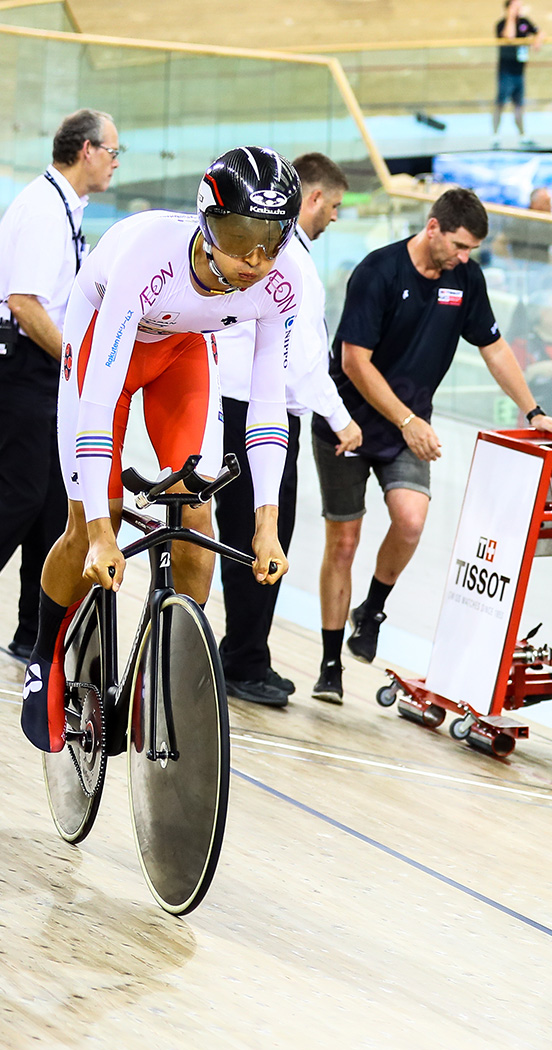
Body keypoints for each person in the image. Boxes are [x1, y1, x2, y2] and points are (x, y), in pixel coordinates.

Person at [19, 146, 299, 752]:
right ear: (207, 221)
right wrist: (99, 529)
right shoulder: (148, 259)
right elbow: (97, 401)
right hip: (103, 351)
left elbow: (269, 403)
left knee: (197, 510)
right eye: (239, 234)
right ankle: (44, 657)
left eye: (271, 238)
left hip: (183, 352)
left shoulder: (284, 277)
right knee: (95, 519)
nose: (255, 258)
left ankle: (168, 673)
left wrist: (268, 523)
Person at [312, 187, 552, 704]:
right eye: (459, 245)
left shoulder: (464, 279)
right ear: (433, 228)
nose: (465, 257)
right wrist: (406, 420)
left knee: (410, 520)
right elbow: (355, 361)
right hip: (348, 424)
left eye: (472, 249)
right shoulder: (378, 272)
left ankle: (372, 609)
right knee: (343, 543)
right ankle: (330, 662)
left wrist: (533, 410)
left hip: (408, 428)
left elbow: (494, 349)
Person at [212, 152, 358, 707]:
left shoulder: (259, 251)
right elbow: (302, 360)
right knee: (264, 540)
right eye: (336, 205)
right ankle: (243, 661)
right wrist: (340, 419)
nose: (336, 217)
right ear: (313, 198)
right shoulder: (290, 261)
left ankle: (231, 653)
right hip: (263, 413)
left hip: (231, 404)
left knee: (234, 535)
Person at [0, 109, 118, 664]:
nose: (116, 162)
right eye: (114, 152)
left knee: (51, 507)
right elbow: (25, 304)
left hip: (47, 373)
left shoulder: (64, 207)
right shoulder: (44, 209)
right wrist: (80, 361)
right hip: (26, 370)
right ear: (88, 150)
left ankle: (34, 632)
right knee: (20, 495)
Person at [492, 0, 540, 148]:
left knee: (519, 105)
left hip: (519, 71)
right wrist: (511, 17)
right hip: (505, 71)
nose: (519, 8)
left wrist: (537, 41)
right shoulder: (501, 24)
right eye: (515, 6)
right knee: (500, 104)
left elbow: (539, 32)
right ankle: (495, 136)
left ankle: (522, 135)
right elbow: (509, 36)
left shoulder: (525, 22)